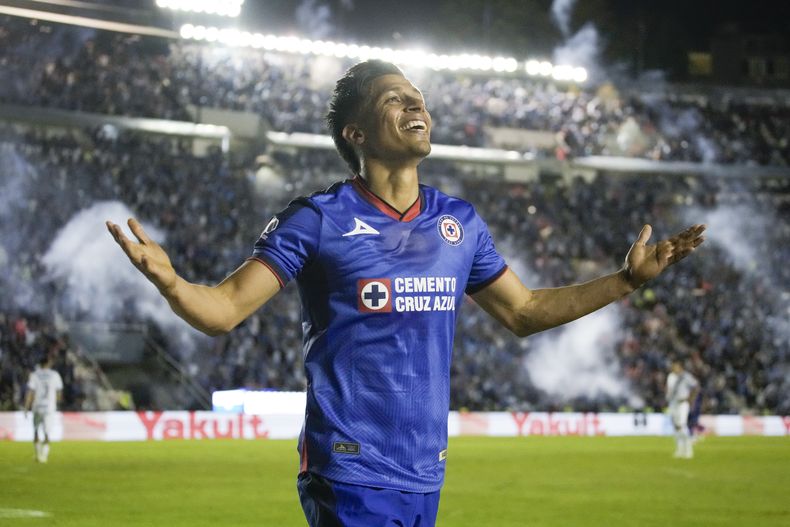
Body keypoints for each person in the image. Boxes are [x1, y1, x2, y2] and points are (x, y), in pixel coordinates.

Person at [106, 60, 706, 527]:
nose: (415, 102)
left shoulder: (459, 223)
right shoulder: (319, 219)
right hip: (349, 470)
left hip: (425, 473)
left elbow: (524, 312)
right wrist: (172, 282)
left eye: (417, 95)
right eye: (394, 98)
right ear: (357, 132)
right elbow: (224, 310)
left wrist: (625, 281)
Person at [24, 355, 63, 463]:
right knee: (47, 432)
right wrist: (57, 403)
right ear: (48, 363)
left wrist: (27, 407)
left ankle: (37, 455)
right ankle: (44, 456)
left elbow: (30, 392)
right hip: (49, 408)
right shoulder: (55, 375)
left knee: (36, 431)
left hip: (37, 407)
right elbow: (59, 392)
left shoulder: (34, 375)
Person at [666, 359, 699, 459]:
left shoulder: (686, 376)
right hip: (673, 403)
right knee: (676, 427)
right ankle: (679, 449)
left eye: (676, 366)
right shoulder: (671, 377)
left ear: (680, 367)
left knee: (682, 425)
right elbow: (668, 389)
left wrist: (691, 399)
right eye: (673, 366)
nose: (674, 368)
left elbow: (696, 386)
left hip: (682, 403)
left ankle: (689, 450)